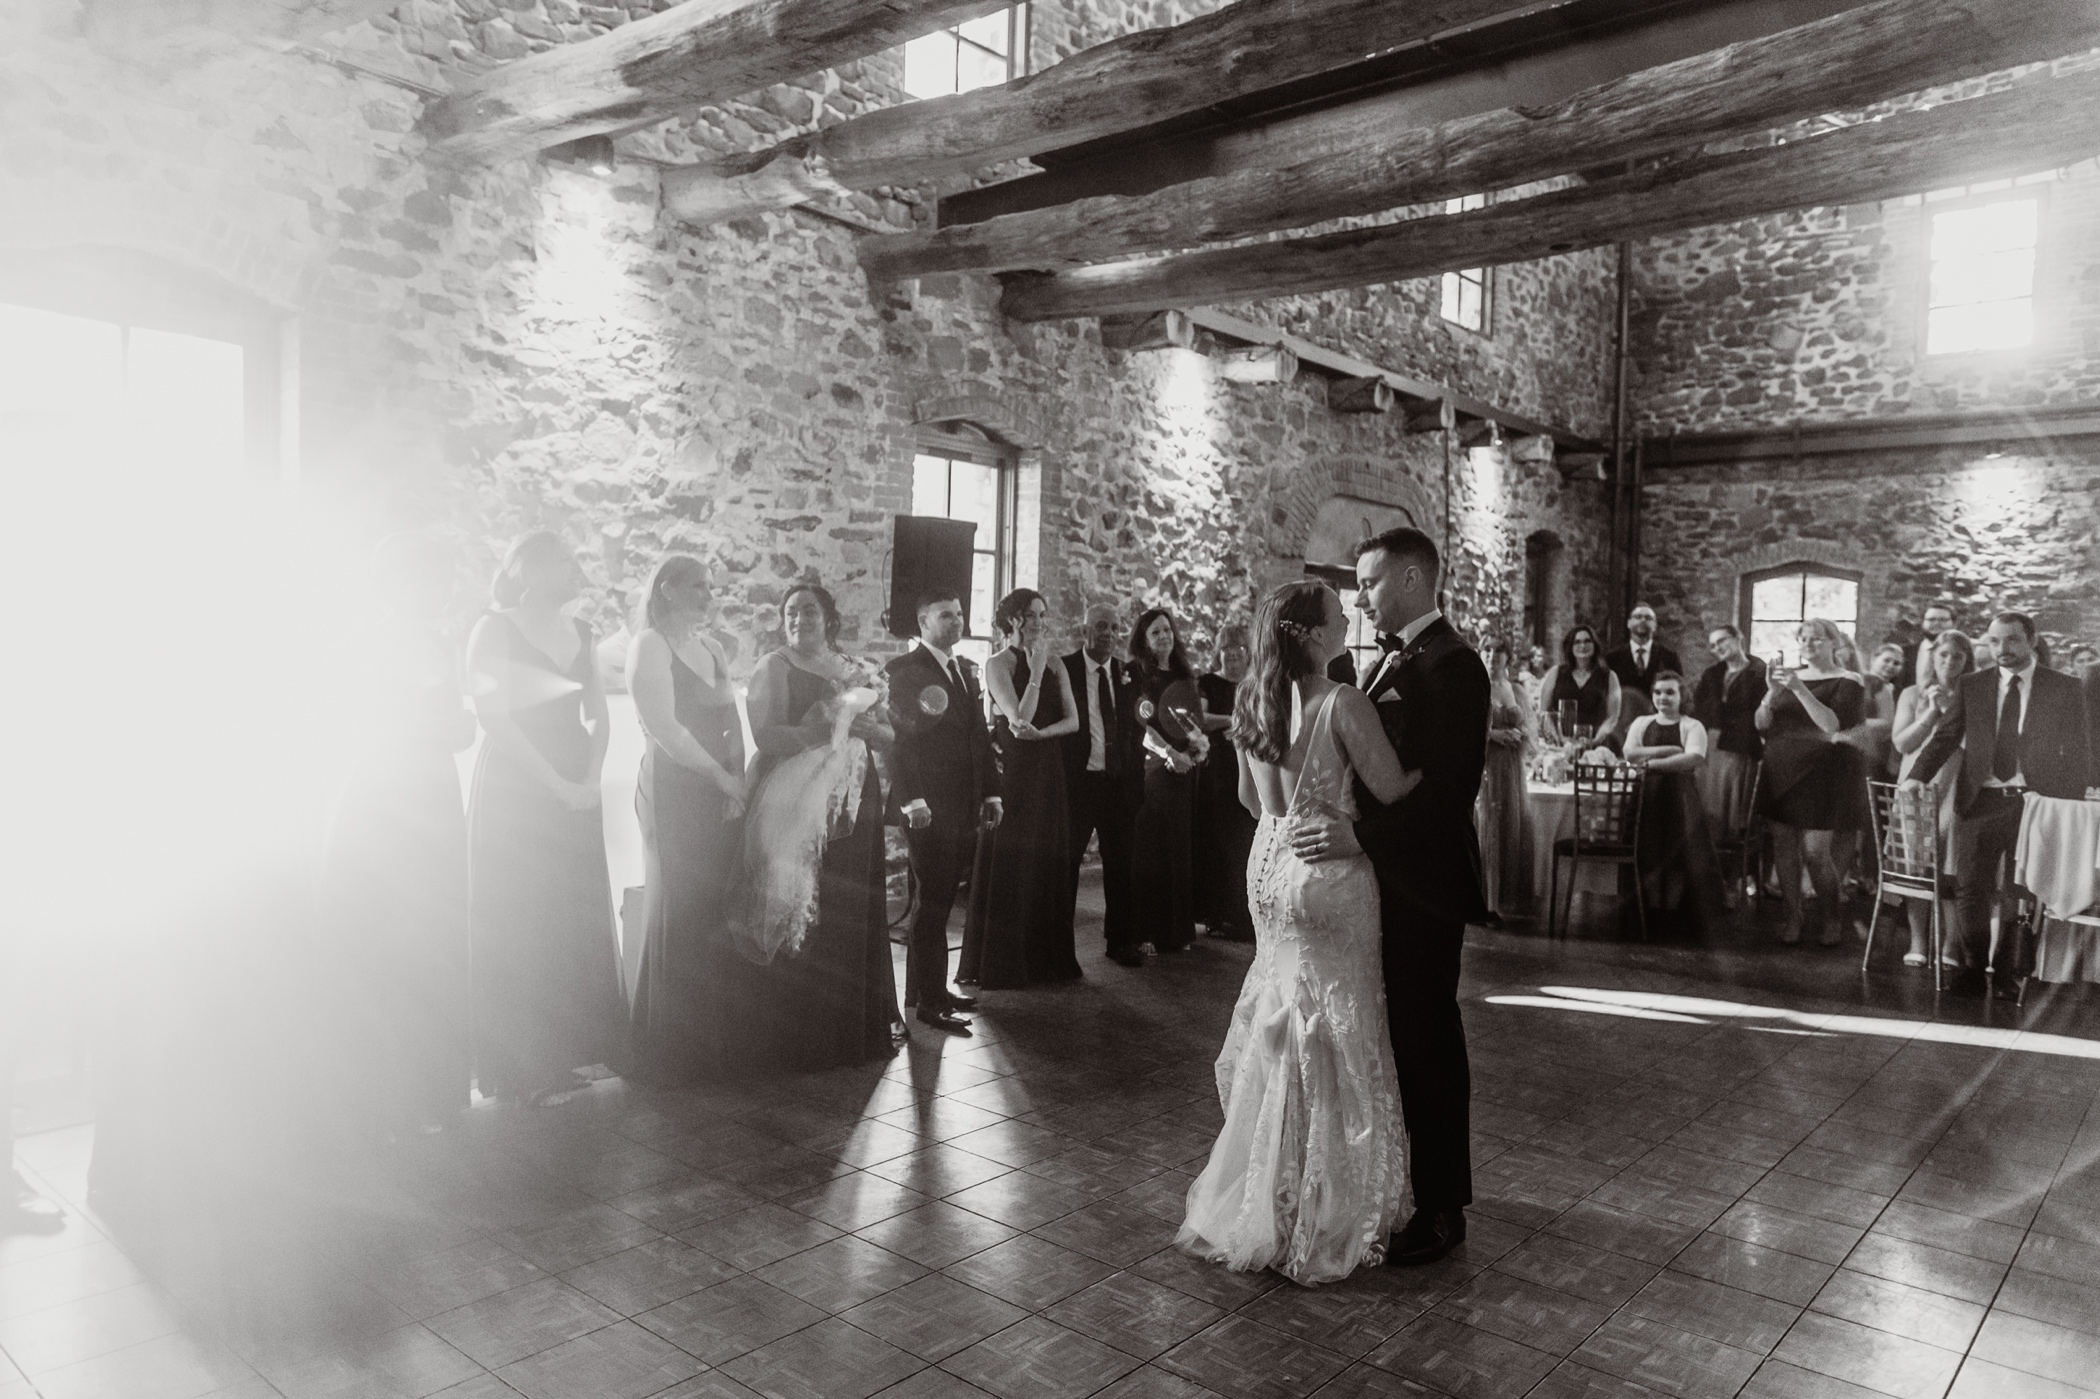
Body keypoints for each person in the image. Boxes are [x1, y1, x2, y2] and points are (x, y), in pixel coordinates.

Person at [1177, 580, 1412, 1284]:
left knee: (1282, 1019)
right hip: (1328, 870)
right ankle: (1330, 1203)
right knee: (1339, 1024)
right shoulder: (1343, 700)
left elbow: (1253, 798)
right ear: (1311, 634)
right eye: (1339, 616)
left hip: (1270, 864)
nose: (1349, 621)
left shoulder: (1253, 696)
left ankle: (1262, 1194)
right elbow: (1394, 790)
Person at [1291, 527, 1489, 1267]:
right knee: (1392, 1035)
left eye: (1368, 583)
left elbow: (1447, 792)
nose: (1360, 596)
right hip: (1383, 883)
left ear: (1411, 579)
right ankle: (1403, 1179)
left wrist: (1359, 838)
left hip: (1426, 880)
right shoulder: (1384, 662)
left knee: (1428, 1037)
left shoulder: (1454, 665)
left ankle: (1444, 1205)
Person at [465, 531, 626, 1105]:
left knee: (564, 917)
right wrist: (555, 781)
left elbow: (599, 717)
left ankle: (560, 1055)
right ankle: (514, 1066)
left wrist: (588, 780)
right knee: (518, 918)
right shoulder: (493, 627)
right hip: (516, 781)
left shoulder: (582, 633)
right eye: (565, 560)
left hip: (573, 779)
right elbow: (494, 716)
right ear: (529, 568)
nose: (576, 569)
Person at [322, 532, 474, 1137]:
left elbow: (457, 725)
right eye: (433, 578)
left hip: (434, 796)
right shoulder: (372, 643)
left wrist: (452, 728)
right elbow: (362, 723)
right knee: (379, 942)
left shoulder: (439, 641)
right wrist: (432, 727)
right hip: (385, 800)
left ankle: (424, 1092)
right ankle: (371, 1100)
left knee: (431, 942)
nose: (441, 591)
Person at [740, 583, 902, 1064]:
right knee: (809, 897)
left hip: (855, 797)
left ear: (828, 618)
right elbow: (766, 735)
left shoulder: (855, 668)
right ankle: (805, 1031)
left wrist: (872, 729)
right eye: (790, 612)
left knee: (852, 898)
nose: (798, 619)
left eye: (808, 610)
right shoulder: (775, 666)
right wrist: (826, 730)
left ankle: (853, 1022)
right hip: (798, 797)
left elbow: (889, 732)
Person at [1906, 612, 2095, 998]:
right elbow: (1946, 735)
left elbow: (2078, 750)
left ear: (2031, 640)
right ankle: (1975, 969)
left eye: (2010, 640)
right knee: (1970, 888)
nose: (2001, 650)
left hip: (2036, 803)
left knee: (2019, 890)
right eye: (1993, 642)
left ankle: (2007, 973)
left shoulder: (2064, 686)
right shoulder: (1974, 684)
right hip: (1980, 799)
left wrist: (2070, 806)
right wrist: (1917, 776)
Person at [625, 556, 752, 1082]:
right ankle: (667, 1049)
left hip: (717, 788)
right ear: (667, 589)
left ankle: (708, 1041)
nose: (708, 594)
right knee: (676, 905)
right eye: (697, 586)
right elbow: (666, 730)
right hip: (674, 789)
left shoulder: (713, 647)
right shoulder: (649, 645)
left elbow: (730, 720)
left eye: (710, 586)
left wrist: (738, 778)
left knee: (709, 907)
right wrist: (720, 779)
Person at [885, 592, 1000, 1034]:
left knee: (942, 899)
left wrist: (992, 794)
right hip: (928, 808)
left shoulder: (963, 669)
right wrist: (912, 801)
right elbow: (901, 741)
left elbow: (977, 736)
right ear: (922, 620)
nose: (957, 621)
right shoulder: (905, 671)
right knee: (931, 904)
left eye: (960, 614)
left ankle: (930, 990)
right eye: (946, 615)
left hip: (963, 802)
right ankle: (929, 1003)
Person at [964, 588, 1081, 988]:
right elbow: (1017, 717)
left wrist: (1043, 733)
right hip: (1013, 773)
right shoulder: (996, 663)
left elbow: (1073, 722)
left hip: (1047, 767)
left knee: (1046, 858)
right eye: (1032, 614)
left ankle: (1044, 960)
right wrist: (1032, 672)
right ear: (1013, 619)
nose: (1039, 622)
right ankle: (1003, 961)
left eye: (1042, 614)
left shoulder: (1057, 664)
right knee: (1014, 859)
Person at [1754, 618, 1869, 948]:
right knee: (1784, 847)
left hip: (1823, 776)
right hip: (1781, 769)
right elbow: (1762, 724)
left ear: (1834, 643)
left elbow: (1831, 726)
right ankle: (1793, 915)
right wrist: (1771, 695)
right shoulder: (1788, 679)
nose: (1808, 644)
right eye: (1803, 638)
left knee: (1816, 853)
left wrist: (1798, 689)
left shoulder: (1849, 680)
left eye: (1816, 639)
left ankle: (1831, 916)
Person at [1061, 604, 1148, 967]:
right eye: (1100, 626)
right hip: (1079, 782)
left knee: (1121, 865)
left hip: (1118, 784)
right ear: (1084, 631)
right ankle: (1060, 949)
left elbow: (1140, 724)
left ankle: (1120, 941)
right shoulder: (1064, 669)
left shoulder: (1129, 673)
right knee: (1066, 866)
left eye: (1115, 627)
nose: (1109, 634)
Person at [1889, 629, 1974, 970]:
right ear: (1932, 657)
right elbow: (1903, 744)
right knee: (1916, 864)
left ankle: (1951, 944)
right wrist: (1932, 713)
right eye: (1943, 655)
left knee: (1951, 866)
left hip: (1956, 782)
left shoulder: (1974, 697)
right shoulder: (1912, 693)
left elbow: (1975, 745)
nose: (1949, 662)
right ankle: (1918, 941)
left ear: (1967, 661)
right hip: (1916, 783)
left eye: (1957, 656)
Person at [1130, 608, 1209, 955]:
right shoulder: (1140, 676)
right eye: (1155, 632)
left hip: (1184, 771)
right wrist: (1169, 756)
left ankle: (1176, 933)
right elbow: (1142, 727)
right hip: (1156, 770)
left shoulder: (1184, 676)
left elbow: (1193, 721)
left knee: (1181, 848)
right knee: (1155, 849)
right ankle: (1148, 930)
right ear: (1144, 640)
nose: (1163, 636)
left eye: (1167, 630)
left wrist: (1197, 748)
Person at [1623, 671, 1723, 936]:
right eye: (1657, 692)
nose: (1662, 698)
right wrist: (1670, 751)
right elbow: (1630, 753)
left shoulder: (1692, 726)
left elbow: (1694, 758)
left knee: (1686, 857)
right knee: (1645, 852)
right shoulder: (1641, 723)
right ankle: (1647, 914)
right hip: (1646, 797)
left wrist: (1652, 764)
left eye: (1669, 692)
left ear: (1682, 696)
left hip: (1681, 799)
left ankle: (1679, 918)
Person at [1196, 624, 1258, 939]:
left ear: (1248, 653)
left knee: (1245, 843)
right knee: (1217, 841)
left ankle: (1245, 914)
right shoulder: (1208, 682)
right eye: (1226, 649)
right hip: (1218, 769)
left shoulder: (1256, 684)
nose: (1232, 654)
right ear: (1218, 653)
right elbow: (1200, 719)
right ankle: (1218, 914)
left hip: (1250, 767)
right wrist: (1237, 721)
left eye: (1238, 649)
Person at [1690, 625, 1765, 882]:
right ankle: (1710, 876)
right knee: (1710, 811)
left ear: (1738, 638)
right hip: (1711, 744)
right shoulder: (1712, 673)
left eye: (1721, 641)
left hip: (1741, 746)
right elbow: (1699, 708)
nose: (1717, 648)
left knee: (1735, 812)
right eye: (1713, 645)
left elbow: (1758, 713)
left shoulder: (1759, 672)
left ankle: (1736, 876)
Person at [1475, 637, 1533, 920]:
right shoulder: (1474, 686)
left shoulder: (1517, 690)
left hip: (1511, 768)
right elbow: (1463, 730)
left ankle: (1506, 900)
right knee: (1487, 826)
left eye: (1499, 651)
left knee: (1510, 824)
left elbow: (1529, 729)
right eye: (1487, 650)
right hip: (1485, 766)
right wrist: (1495, 735)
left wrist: (1519, 734)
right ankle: (1485, 902)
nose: (1492, 656)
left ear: (1508, 658)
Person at [1538, 625, 1621, 747]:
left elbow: (1612, 718)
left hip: (1596, 744)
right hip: (1559, 744)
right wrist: (1558, 739)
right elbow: (1545, 711)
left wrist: (1594, 741)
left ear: (1595, 645)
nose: (1582, 646)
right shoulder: (1556, 672)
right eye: (1577, 642)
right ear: (1570, 647)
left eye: (1587, 641)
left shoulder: (1609, 676)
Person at [1604, 603, 1682, 724]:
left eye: (1648, 618)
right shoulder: (1612, 658)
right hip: (1621, 723)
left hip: (1658, 723)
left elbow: (1679, 692)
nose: (1643, 620)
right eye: (1638, 616)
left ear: (1655, 625)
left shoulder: (1668, 657)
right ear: (1629, 623)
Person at [1913, 603, 1957, 687]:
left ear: (1954, 624)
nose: (1937, 623)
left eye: (1943, 620)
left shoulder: (1963, 654)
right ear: (1922, 623)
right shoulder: (1905, 652)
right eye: (1931, 619)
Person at [1521, 644, 1549, 717]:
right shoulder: (1525, 676)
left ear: (1545, 659)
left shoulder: (1548, 677)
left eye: (1539, 656)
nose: (1535, 659)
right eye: (1532, 657)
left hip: (1544, 715)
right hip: (1528, 715)